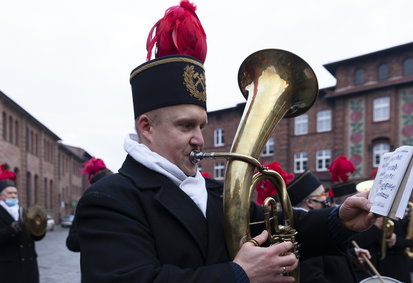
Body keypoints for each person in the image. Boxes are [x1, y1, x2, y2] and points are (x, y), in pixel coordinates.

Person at [75, 1, 375, 282]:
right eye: (185, 126)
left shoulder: (217, 192)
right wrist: (238, 275)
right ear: (147, 127)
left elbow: (288, 228)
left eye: (202, 126)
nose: (199, 138)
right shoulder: (109, 199)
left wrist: (339, 220)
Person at [287, 170, 370, 283]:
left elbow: (325, 261)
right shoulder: (303, 231)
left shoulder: (311, 226)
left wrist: (351, 255)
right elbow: (312, 277)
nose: (326, 198)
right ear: (310, 202)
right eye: (322, 194)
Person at [0, 164, 45, 283]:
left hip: (29, 266)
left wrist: (39, 229)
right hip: (8, 268)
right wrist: (12, 229)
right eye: (9, 193)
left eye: (15, 193)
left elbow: (35, 237)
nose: (14, 196)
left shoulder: (23, 211)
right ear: (0, 196)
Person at [66, 157, 113, 252]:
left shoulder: (91, 195)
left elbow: (73, 243)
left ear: (91, 176)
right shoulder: (123, 188)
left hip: (99, 261)